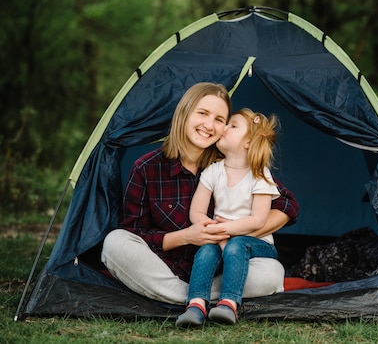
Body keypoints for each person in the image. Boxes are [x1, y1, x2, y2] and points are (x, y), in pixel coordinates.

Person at [101, 83, 298, 308]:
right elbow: (133, 232)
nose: (209, 125)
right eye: (203, 113)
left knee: (272, 273)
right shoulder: (147, 167)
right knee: (115, 243)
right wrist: (186, 236)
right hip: (166, 268)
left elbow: (287, 206)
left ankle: (195, 297)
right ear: (184, 114)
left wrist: (231, 233)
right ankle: (191, 295)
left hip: (221, 270)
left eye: (219, 119)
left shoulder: (231, 161)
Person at [176, 108, 280, 327]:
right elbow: (197, 212)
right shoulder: (213, 172)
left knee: (236, 245)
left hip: (256, 242)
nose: (223, 128)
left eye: (233, 126)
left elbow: (258, 220)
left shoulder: (259, 173)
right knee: (205, 250)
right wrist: (211, 230)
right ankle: (195, 305)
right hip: (219, 235)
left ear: (248, 142)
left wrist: (227, 232)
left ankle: (228, 303)